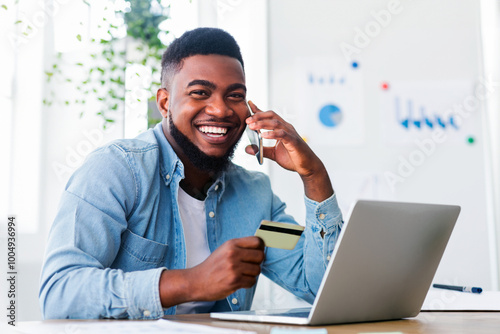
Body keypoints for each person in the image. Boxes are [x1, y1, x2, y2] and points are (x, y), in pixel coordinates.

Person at [39, 27, 343, 319]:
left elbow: (319, 285)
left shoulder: (256, 199)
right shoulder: (117, 171)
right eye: (200, 92)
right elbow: (60, 293)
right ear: (165, 102)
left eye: (235, 95)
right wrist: (191, 282)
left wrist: (314, 176)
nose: (220, 110)